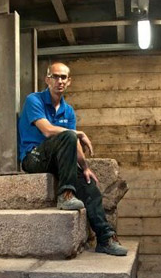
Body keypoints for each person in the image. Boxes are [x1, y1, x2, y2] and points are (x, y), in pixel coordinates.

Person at [18, 62, 127, 256]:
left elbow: (73, 143)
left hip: (58, 159)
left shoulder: (68, 110)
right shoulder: (34, 100)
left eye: (63, 77)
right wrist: (77, 132)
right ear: (47, 79)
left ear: (69, 82)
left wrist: (85, 167)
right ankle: (66, 195)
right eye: (55, 76)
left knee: (90, 187)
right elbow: (47, 130)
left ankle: (105, 238)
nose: (59, 81)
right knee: (68, 135)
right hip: (33, 158)